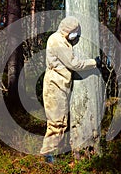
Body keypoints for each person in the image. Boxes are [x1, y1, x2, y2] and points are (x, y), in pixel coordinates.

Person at [40, 16, 101, 163]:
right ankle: (47, 155)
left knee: (61, 120)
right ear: (69, 30)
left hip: (59, 85)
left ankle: (53, 151)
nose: (76, 34)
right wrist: (94, 62)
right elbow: (74, 63)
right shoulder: (57, 41)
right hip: (54, 86)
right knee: (57, 122)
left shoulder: (62, 40)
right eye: (75, 31)